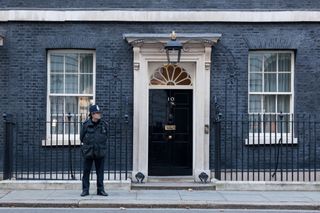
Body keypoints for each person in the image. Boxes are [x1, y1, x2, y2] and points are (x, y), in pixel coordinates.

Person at [80, 104, 108, 196]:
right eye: (97, 113)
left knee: (100, 172)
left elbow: (106, 136)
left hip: (100, 151)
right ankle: (85, 190)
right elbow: (81, 137)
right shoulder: (86, 125)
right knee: (86, 172)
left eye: (99, 112)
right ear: (92, 114)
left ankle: (100, 190)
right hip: (89, 151)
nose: (99, 114)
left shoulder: (104, 124)